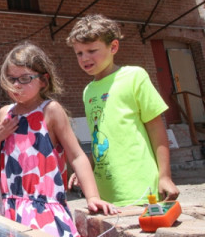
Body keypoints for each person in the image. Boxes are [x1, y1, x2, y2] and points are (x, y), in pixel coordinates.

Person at [0, 42, 117, 237]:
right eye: (10, 79)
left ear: (43, 80)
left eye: (25, 79)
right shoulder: (5, 114)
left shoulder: (50, 111)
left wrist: (92, 197)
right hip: (10, 208)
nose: (16, 85)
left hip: (44, 209)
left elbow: (76, 155)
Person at [66, 14, 180, 206]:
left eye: (92, 50)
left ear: (113, 47)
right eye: (79, 53)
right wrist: (87, 171)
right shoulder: (88, 91)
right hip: (105, 195)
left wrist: (165, 176)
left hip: (140, 189)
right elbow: (98, 137)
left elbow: (156, 128)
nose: (85, 58)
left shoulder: (134, 76)